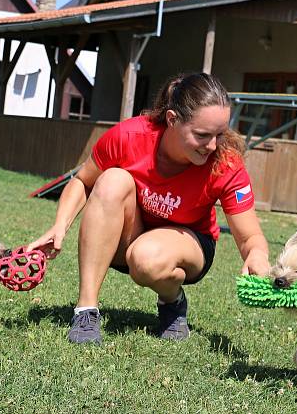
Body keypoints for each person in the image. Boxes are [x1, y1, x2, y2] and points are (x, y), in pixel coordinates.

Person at [27, 73, 270, 345]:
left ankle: (172, 301)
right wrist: (60, 225)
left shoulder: (225, 162)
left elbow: (249, 237)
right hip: (131, 233)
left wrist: (257, 255)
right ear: (172, 120)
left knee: (147, 259)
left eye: (219, 134)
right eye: (202, 135)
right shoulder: (129, 136)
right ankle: (86, 311)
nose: (212, 146)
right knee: (111, 180)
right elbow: (83, 182)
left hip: (189, 243)